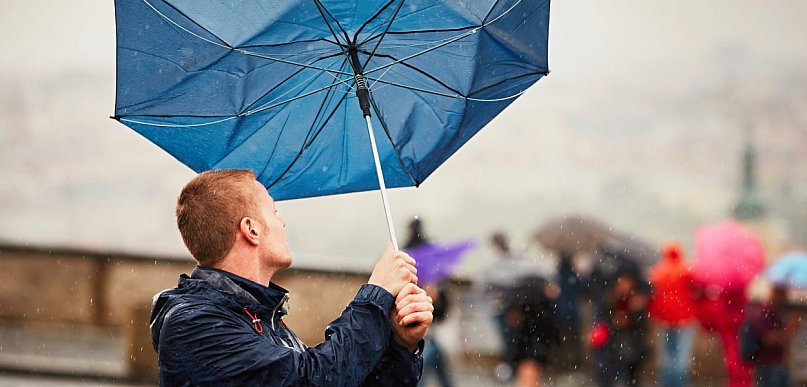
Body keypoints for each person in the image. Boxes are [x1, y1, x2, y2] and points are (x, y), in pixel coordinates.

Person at [150, 169, 434, 386]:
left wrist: (400, 344)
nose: (282, 222)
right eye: (274, 212)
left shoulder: (258, 316)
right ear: (251, 229)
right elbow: (315, 378)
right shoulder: (194, 323)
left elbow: (342, 378)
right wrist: (377, 292)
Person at [402, 217, 455, 387]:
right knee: (435, 368)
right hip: (432, 334)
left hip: (430, 334)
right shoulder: (432, 258)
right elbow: (442, 310)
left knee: (423, 369)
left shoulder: (407, 254)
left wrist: (434, 299)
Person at [647, 241, 695, 387]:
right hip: (684, 319)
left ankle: (666, 383)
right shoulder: (686, 270)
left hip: (664, 320)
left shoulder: (657, 272)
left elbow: (652, 296)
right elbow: (696, 291)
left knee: (666, 356)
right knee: (681, 356)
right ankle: (680, 384)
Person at [745, 284, 794, 387]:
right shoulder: (764, 312)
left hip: (778, 365)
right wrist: (790, 329)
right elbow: (768, 339)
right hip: (768, 365)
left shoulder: (777, 312)